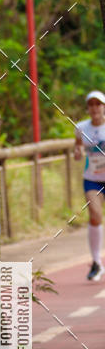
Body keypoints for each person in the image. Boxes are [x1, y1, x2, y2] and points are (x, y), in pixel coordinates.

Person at [74, 90, 105, 281]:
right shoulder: (80, 127)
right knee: (95, 213)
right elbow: (78, 145)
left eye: (98, 104)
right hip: (92, 178)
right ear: (87, 108)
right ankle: (96, 262)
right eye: (91, 104)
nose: (94, 108)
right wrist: (78, 152)